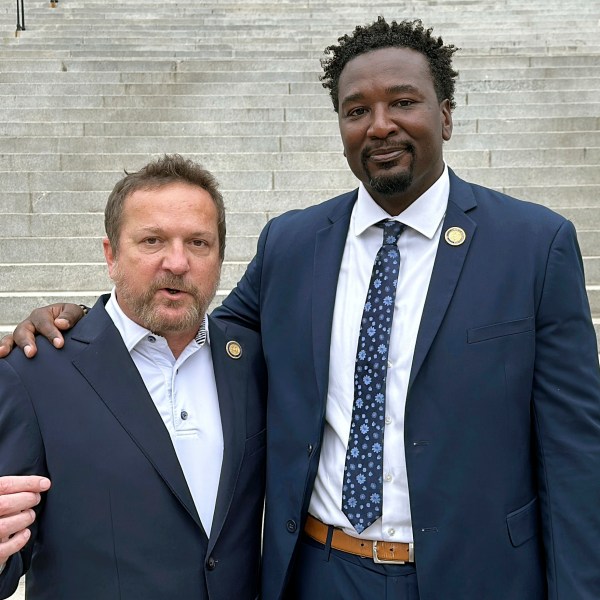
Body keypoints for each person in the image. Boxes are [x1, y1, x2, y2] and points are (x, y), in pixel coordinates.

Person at [2, 17, 600, 600]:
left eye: (403, 102)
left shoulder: (533, 245)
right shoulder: (294, 243)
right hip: (321, 570)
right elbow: (207, 328)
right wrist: (84, 323)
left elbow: (574, 451)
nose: (380, 125)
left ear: (445, 114)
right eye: (357, 110)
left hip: (476, 572)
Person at [0, 155, 266, 599]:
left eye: (198, 243)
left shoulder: (252, 362)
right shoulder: (33, 374)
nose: (177, 262)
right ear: (111, 254)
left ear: (220, 256)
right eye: (152, 240)